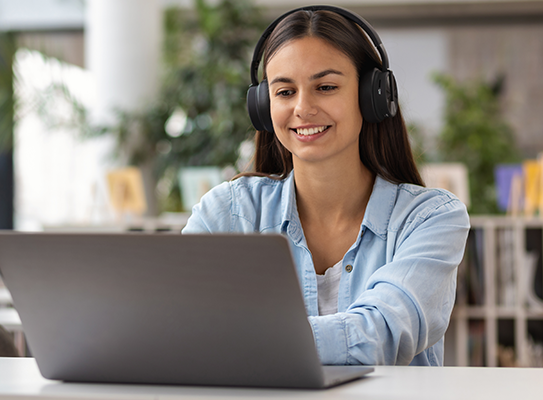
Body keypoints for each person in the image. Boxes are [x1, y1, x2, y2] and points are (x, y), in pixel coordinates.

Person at [182, 5, 470, 366]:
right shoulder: (227, 212)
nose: (303, 108)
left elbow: (381, 333)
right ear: (263, 106)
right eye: (285, 92)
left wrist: (241, 340)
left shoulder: (429, 219)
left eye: (326, 87)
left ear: (372, 97)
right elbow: (179, 322)